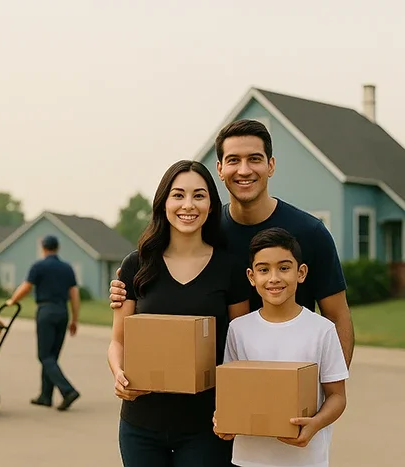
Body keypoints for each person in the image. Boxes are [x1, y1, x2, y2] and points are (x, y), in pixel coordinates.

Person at [109, 119, 355, 368]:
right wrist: (129, 284)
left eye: (255, 159)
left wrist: (330, 389)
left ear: (271, 166)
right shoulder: (205, 230)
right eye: (234, 160)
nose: (244, 170)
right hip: (229, 379)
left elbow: (337, 316)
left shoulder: (310, 232)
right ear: (220, 169)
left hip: (297, 381)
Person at [109, 160, 251, 466]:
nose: (188, 205)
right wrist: (119, 375)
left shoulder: (230, 269)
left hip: (206, 427)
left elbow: (240, 350)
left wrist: (235, 410)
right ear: (163, 204)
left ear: (212, 206)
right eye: (178, 195)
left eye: (199, 196)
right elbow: (118, 341)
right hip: (140, 425)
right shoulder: (137, 265)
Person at [213, 227, 349, 467]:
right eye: (264, 270)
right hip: (249, 458)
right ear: (251, 277)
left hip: (305, 459)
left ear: (301, 272)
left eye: (284, 268)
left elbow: (337, 397)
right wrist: (224, 419)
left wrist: (314, 425)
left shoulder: (322, 330)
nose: (274, 278)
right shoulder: (239, 329)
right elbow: (231, 394)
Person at [5, 235, 81, 411]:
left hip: (46, 312)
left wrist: (12, 300)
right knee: (51, 356)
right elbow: (74, 295)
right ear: (57, 248)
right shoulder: (67, 268)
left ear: (43, 247)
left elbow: (26, 287)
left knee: (44, 356)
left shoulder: (39, 266)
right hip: (62, 313)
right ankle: (45, 396)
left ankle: (68, 391)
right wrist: (75, 319)